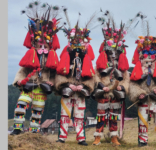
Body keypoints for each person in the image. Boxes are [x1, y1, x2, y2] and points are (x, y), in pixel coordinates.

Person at [10, 2, 61, 135]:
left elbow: (55, 75)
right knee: (21, 104)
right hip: (29, 84)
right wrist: (20, 81)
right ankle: (17, 128)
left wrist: (53, 83)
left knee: (38, 110)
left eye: (45, 44)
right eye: (39, 44)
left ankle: (33, 132)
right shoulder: (30, 56)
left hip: (42, 87)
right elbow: (22, 71)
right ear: (35, 44)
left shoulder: (52, 59)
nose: (42, 47)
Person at [54, 10, 96, 146]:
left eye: (80, 44)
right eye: (75, 43)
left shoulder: (86, 59)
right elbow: (59, 74)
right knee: (65, 114)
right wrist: (68, 85)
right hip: (68, 89)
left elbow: (91, 76)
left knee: (79, 115)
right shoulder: (65, 57)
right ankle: (62, 137)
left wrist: (83, 86)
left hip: (80, 91)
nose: (78, 48)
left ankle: (81, 138)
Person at [91, 16, 130, 146]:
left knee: (114, 115)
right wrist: (101, 86)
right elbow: (95, 75)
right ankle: (98, 137)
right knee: (101, 115)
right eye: (111, 51)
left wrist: (121, 87)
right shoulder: (101, 63)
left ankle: (114, 137)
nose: (113, 54)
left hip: (115, 93)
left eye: (115, 52)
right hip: (104, 92)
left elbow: (126, 79)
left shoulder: (121, 65)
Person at [129, 33, 156, 146]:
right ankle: (143, 140)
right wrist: (139, 93)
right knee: (143, 121)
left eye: (151, 59)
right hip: (143, 100)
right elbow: (132, 85)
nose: (148, 62)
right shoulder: (137, 72)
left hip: (155, 99)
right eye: (146, 59)